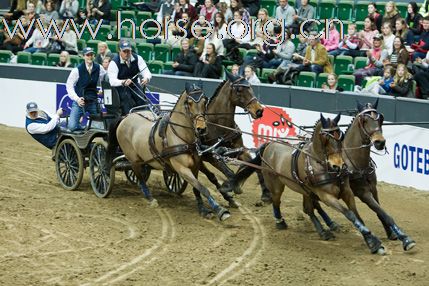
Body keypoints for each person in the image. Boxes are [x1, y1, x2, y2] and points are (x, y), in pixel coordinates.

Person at [66, 47, 107, 131]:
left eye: (91, 55)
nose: (90, 57)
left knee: (98, 127)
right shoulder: (77, 70)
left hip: (93, 101)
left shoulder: (99, 67)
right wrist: (77, 99)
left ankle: (87, 131)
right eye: (87, 55)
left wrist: (103, 90)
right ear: (83, 56)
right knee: (72, 127)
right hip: (80, 102)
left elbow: (105, 79)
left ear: (94, 56)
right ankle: (83, 130)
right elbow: (69, 86)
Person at [108, 39, 152, 116]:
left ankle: (147, 117)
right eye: (124, 51)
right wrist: (123, 82)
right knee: (127, 100)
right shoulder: (114, 62)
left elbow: (147, 72)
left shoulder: (138, 58)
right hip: (121, 88)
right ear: (119, 51)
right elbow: (112, 81)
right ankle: (128, 117)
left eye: (128, 51)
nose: (127, 54)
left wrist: (146, 78)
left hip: (134, 85)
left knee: (142, 99)